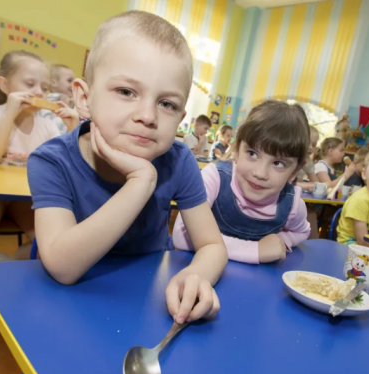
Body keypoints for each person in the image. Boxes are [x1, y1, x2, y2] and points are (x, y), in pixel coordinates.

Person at [27, 11, 228, 325]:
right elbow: (62, 267)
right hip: (70, 303)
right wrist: (141, 181)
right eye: (126, 92)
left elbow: (213, 245)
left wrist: (197, 275)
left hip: (146, 302)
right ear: (84, 98)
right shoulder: (51, 161)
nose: (148, 115)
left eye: (167, 104)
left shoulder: (178, 160)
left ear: (180, 117)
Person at [0, 50, 79, 299]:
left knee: (51, 243)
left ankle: (0, 266)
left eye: (44, 86)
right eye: (30, 84)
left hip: (26, 199)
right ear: (4, 85)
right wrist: (9, 113)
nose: (39, 92)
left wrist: (73, 129)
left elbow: (68, 164)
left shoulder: (47, 125)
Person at [173, 100, 311, 264]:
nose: (260, 173)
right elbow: (181, 235)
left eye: (278, 163)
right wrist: (256, 251)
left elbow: (303, 232)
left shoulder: (293, 205)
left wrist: (282, 240)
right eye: (252, 154)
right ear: (237, 149)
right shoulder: (215, 178)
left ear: (295, 171)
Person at [39, 64, 77, 134]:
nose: (73, 84)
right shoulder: (46, 100)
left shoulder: (72, 101)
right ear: (53, 83)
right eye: (69, 80)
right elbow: (46, 123)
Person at [295, 125, 320, 192]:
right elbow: (284, 184)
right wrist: (305, 186)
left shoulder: (308, 161)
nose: (310, 147)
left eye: (314, 145)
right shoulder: (290, 159)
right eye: (307, 143)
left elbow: (316, 183)